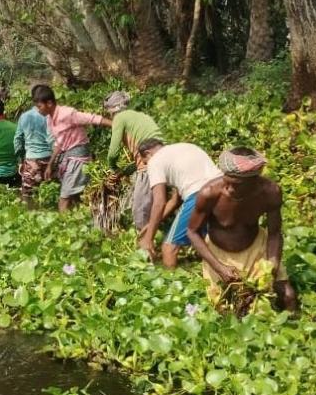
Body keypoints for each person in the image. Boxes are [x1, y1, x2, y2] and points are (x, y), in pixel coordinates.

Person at [187, 147, 298, 312]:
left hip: (256, 249)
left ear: (255, 180)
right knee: (226, 309)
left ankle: (296, 326)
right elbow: (192, 232)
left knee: (288, 297)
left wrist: (272, 265)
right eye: (227, 181)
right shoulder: (209, 193)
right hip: (219, 254)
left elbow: (274, 234)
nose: (229, 188)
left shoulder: (270, 192)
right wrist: (219, 267)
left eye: (237, 185)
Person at [137, 139, 223, 268]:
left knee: (168, 248)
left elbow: (159, 202)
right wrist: (150, 225)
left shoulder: (155, 161)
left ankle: (170, 279)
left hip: (199, 195)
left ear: (148, 153)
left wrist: (148, 239)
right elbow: (175, 200)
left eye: (145, 162)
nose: (147, 165)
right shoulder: (185, 147)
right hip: (223, 190)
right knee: (213, 240)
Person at [36, 85, 112, 212]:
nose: (38, 110)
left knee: (64, 199)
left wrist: (116, 124)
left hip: (79, 156)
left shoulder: (67, 113)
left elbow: (92, 118)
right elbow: (59, 143)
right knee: (75, 197)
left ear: (49, 103)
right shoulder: (50, 119)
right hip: (69, 156)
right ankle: (79, 220)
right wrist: (50, 165)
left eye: (39, 106)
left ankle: (62, 223)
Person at [102, 91, 164, 230]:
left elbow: (113, 153)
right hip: (163, 157)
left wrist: (113, 168)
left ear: (112, 110)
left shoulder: (119, 118)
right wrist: (123, 172)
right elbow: (140, 159)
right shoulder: (140, 116)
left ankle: (144, 239)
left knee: (139, 210)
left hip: (150, 165)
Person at [14, 85, 55, 198]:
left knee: (27, 195)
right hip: (49, 160)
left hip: (31, 161)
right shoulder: (50, 115)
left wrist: (20, 160)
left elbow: (17, 140)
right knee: (50, 194)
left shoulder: (24, 116)